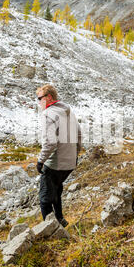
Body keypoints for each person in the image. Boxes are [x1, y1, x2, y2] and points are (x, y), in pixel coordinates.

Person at [36, 84, 82, 227]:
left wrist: (40, 160)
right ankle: (61, 220)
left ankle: (52, 232)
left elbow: (50, 142)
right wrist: (75, 154)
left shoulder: (48, 114)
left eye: (40, 98)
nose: (38, 102)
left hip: (55, 163)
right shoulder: (68, 111)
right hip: (69, 163)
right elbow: (79, 135)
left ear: (49, 97)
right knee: (55, 190)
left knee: (44, 198)